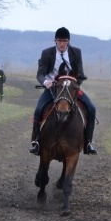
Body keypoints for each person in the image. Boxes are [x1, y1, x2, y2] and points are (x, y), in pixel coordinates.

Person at [29, 27, 98, 155]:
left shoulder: (76, 52)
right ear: (55, 40)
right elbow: (40, 74)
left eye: (64, 41)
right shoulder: (46, 53)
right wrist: (46, 82)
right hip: (53, 88)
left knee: (92, 108)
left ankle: (88, 142)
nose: (62, 44)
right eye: (59, 40)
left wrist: (74, 86)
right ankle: (36, 141)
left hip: (71, 89)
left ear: (69, 41)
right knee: (38, 109)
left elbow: (80, 73)